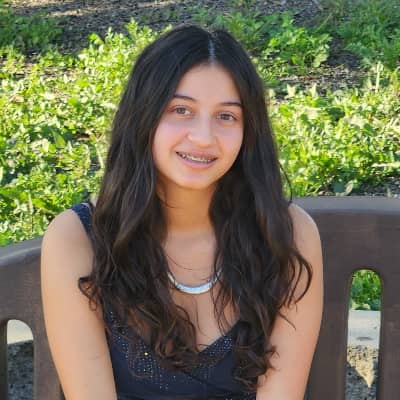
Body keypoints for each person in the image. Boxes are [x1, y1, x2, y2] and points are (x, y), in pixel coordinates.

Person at [40, 24, 323, 400]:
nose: (204, 137)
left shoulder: (287, 235)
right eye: (181, 110)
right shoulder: (78, 241)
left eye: (227, 116)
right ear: (143, 116)